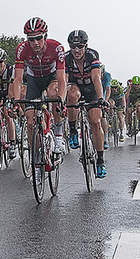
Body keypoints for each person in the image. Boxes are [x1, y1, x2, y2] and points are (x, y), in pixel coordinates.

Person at [11, 17, 66, 183]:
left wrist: (61, 101)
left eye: (38, 38)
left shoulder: (56, 48)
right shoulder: (22, 49)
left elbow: (62, 79)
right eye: (31, 39)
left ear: (45, 36)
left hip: (51, 78)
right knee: (30, 121)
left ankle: (58, 133)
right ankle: (36, 162)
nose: (35, 42)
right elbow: (18, 80)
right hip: (34, 80)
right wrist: (15, 101)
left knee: (53, 93)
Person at [64, 30, 107, 178]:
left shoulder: (92, 55)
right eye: (73, 46)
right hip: (75, 87)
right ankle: (73, 131)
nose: (76, 50)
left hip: (91, 90)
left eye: (80, 46)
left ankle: (100, 160)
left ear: (86, 46)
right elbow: (64, 79)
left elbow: (96, 78)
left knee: (95, 122)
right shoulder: (66, 58)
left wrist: (100, 97)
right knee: (72, 95)